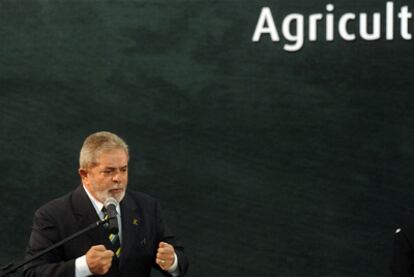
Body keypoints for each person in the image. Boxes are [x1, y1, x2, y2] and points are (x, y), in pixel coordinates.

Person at [23, 131, 189, 277]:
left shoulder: (146, 207)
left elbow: (179, 258)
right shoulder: (53, 215)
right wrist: (83, 266)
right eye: (108, 171)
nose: (118, 178)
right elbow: (33, 272)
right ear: (84, 175)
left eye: (123, 170)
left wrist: (172, 261)